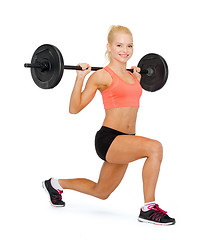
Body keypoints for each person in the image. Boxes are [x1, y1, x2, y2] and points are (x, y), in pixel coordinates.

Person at [42, 25, 175, 226]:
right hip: (110, 139)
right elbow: (74, 108)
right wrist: (80, 78)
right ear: (109, 47)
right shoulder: (102, 75)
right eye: (119, 45)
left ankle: (55, 184)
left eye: (129, 45)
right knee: (154, 148)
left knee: (101, 192)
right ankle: (149, 208)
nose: (125, 50)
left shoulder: (133, 75)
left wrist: (138, 79)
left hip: (126, 141)